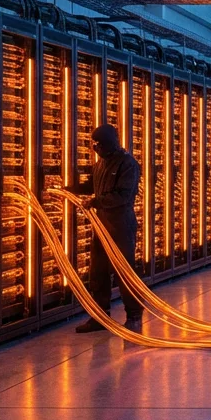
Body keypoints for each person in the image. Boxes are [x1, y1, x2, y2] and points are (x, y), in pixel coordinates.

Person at [69, 124, 144, 334]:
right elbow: (91, 186)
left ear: (110, 143)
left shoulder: (127, 164)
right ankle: (100, 317)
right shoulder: (100, 164)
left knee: (124, 272)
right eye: (94, 144)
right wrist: (69, 189)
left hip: (120, 224)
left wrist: (96, 202)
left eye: (99, 144)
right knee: (98, 273)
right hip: (101, 224)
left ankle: (134, 316)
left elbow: (123, 196)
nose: (96, 148)